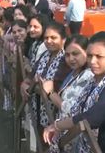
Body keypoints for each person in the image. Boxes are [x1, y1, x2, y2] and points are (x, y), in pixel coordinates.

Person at [42, 32, 105, 153]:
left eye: (99, 56)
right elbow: (76, 109)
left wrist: (57, 125)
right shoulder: (93, 80)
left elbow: (91, 118)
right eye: (90, 56)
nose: (93, 61)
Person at [42, 34, 95, 153]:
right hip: (66, 137)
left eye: (75, 54)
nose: (71, 58)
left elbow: (72, 110)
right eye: (67, 54)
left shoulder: (88, 76)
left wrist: (51, 93)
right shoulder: (74, 72)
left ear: (87, 53)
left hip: (75, 138)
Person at [22, 22, 70, 151]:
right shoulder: (45, 55)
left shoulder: (66, 60)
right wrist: (25, 84)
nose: (49, 41)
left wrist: (35, 87)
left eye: (53, 38)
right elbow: (31, 75)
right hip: (37, 111)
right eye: (46, 38)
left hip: (53, 115)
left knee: (51, 146)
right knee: (41, 145)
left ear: (63, 39)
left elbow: (55, 87)